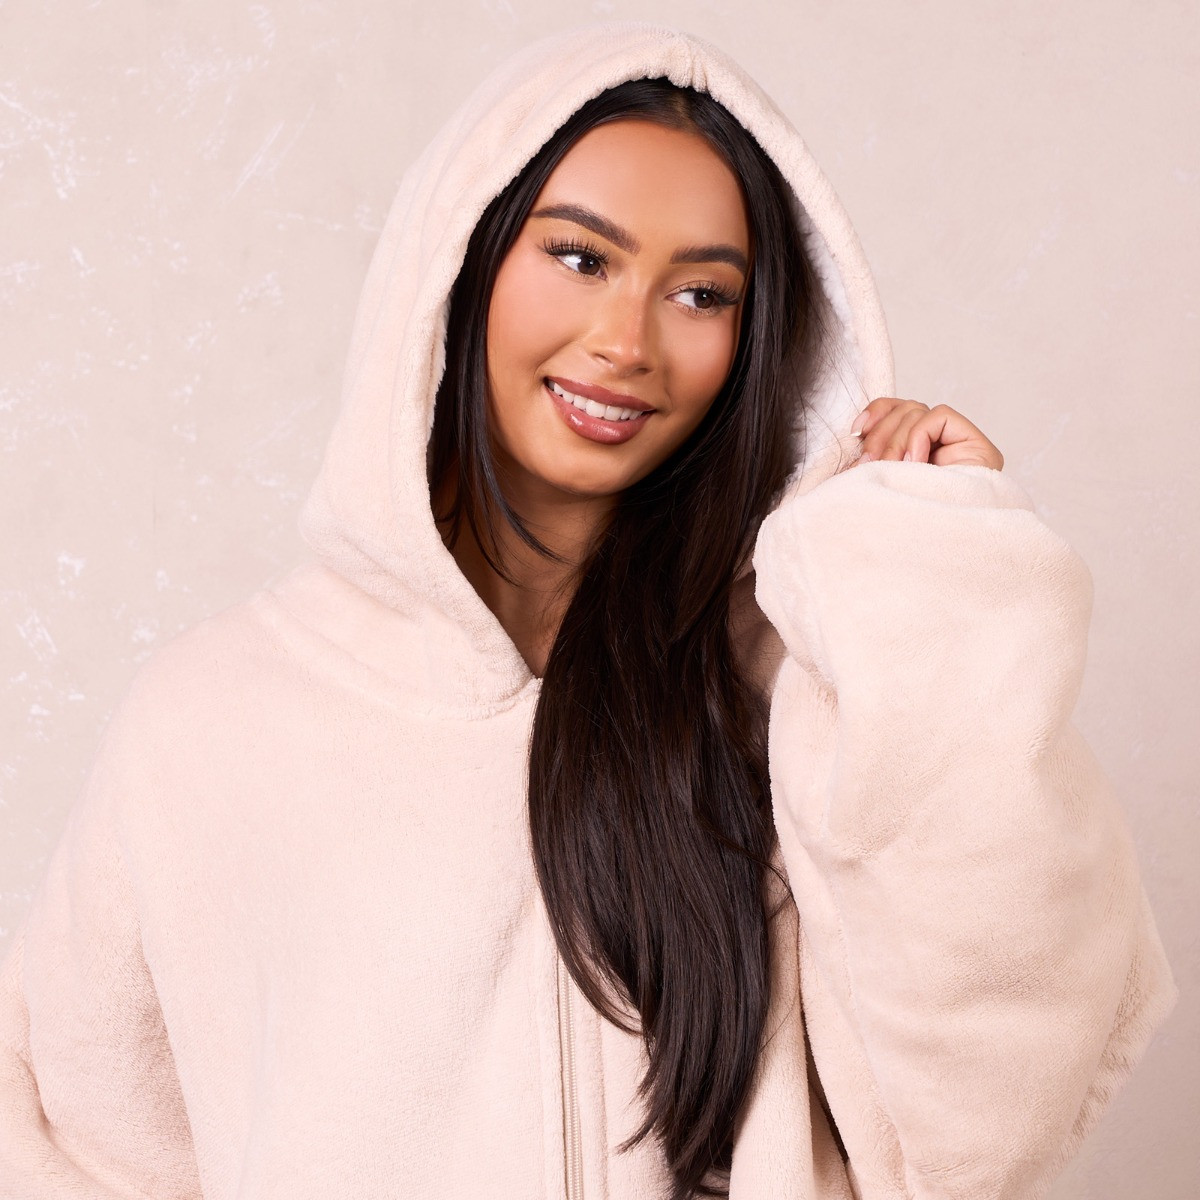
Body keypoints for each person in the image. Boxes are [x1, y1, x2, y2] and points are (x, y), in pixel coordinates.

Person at [0, 22, 1176, 1200]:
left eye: (702, 292)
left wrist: (928, 588)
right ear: (464, 262)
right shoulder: (209, 725)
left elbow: (990, 1130)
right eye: (580, 257)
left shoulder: (801, 692)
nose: (626, 342)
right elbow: (76, 1157)